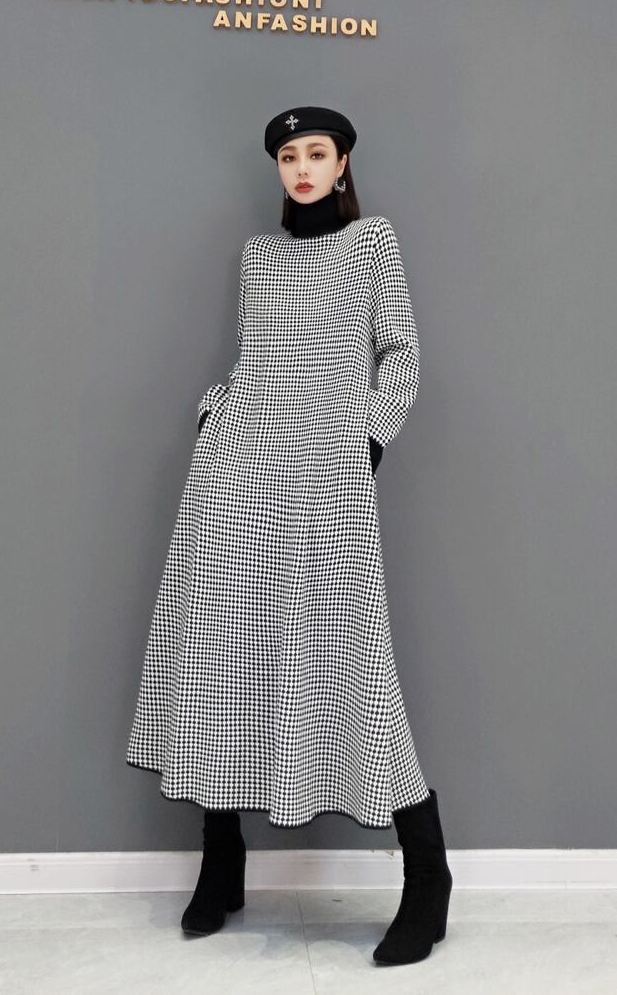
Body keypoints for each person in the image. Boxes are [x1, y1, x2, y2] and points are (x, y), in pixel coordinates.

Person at [126, 105, 452, 966]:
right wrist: (216, 414)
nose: (301, 168)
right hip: (238, 467)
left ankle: (429, 877)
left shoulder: (373, 241)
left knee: (352, 655)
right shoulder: (258, 255)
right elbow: (254, 356)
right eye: (288, 156)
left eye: (316, 153)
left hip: (327, 469)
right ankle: (222, 859)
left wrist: (368, 438)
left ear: (342, 164)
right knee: (222, 648)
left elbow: (401, 352)